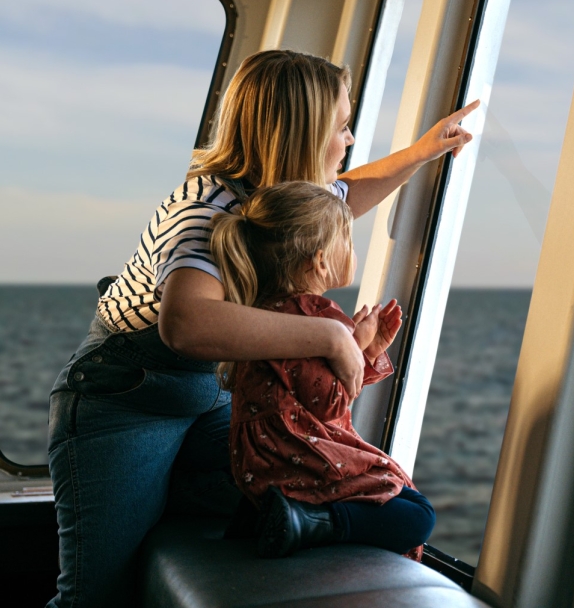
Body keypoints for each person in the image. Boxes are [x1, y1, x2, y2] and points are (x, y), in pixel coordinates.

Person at [46, 49, 478, 608]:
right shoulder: (206, 208)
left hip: (206, 399)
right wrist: (331, 337)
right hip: (129, 400)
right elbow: (186, 322)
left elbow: (346, 195)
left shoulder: (279, 200)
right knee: (98, 596)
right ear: (298, 133)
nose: (349, 141)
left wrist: (423, 152)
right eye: (341, 127)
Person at [211, 181, 432, 560]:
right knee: (417, 514)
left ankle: (267, 517)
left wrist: (365, 350)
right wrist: (357, 345)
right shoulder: (314, 317)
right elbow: (327, 405)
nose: (353, 249)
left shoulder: (260, 311)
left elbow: (303, 389)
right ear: (320, 260)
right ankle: (313, 522)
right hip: (291, 453)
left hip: (259, 459)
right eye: (347, 239)